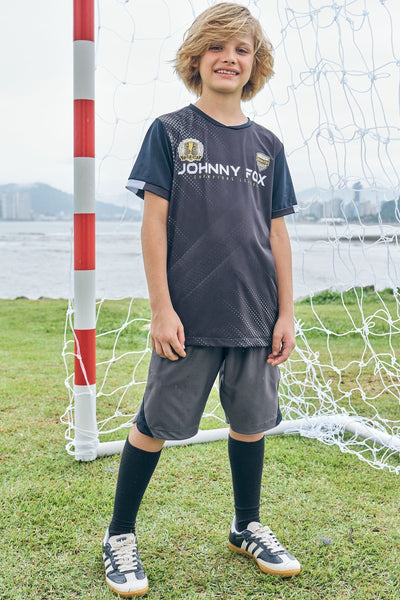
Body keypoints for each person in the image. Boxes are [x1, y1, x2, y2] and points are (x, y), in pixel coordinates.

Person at [102, 3, 300, 596]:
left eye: (242, 49)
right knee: (155, 424)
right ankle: (119, 535)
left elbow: (277, 234)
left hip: (256, 314)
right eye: (217, 46)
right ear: (196, 57)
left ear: (256, 63)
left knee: (251, 423)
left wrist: (286, 313)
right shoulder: (170, 131)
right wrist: (162, 308)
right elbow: (153, 225)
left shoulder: (268, 145)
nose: (229, 58)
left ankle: (246, 526)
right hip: (188, 316)